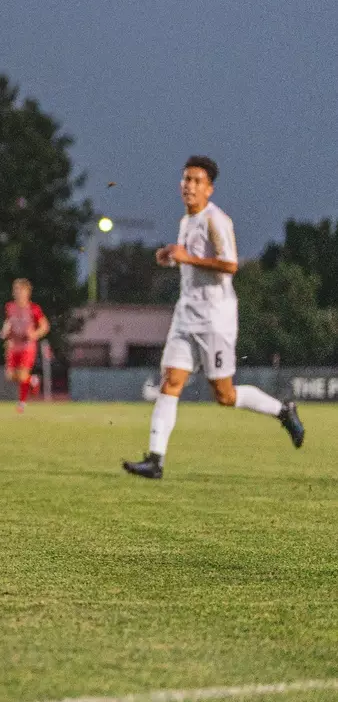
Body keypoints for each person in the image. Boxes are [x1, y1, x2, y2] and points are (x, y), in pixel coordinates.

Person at [123, 156, 304, 479]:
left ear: (209, 189)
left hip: (215, 318)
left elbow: (230, 264)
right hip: (185, 314)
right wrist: (169, 258)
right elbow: (190, 263)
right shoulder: (186, 221)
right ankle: (155, 460)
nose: (189, 186)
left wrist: (187, 257)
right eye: (186, 179)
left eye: (196, 181)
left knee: (224, 395)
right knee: (171, 381)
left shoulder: (215, 220)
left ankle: (282, 410)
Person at [0, 278, 50, 412]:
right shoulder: (10, 307)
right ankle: (33, 380)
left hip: (27, 345)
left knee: (22, 375)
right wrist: (5, 331)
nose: (18, 294)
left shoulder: (34, 309)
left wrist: (35, 334)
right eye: (16, 291)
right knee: (10, 376)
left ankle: (21, 403)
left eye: (21, 291)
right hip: (13, 345)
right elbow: (8, 322)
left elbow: (45, 326)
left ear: (28, 292)